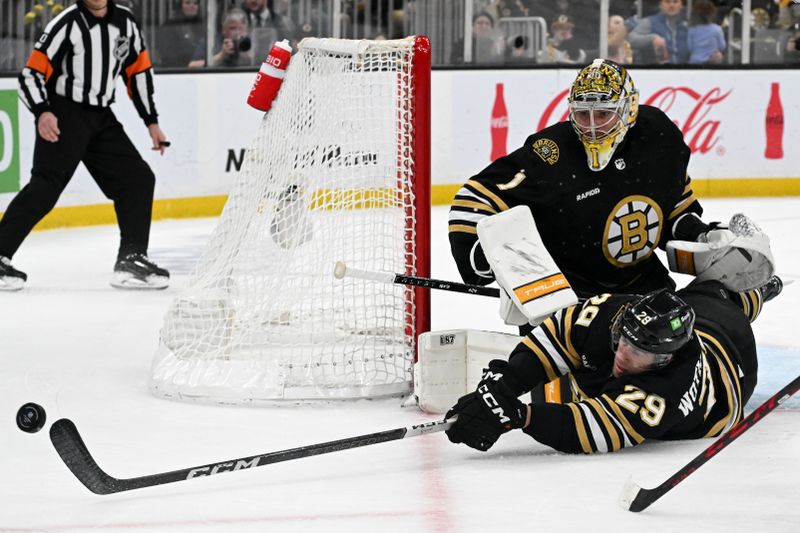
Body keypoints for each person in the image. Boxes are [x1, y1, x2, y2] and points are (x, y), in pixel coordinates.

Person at [449, 59, 720, 304]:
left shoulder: (658, 136)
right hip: (572, 299)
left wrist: (697, 232)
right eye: (583, 114)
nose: (592, 126)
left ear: (630, 109)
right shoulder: (553, 153)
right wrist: (477, 254)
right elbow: (476, 195)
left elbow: (671, 204)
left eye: (603, 113)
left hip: (647, 289)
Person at [445, 275, 784, 454]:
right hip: (699, 315)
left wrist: (521, 416)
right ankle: (750, 291)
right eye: (623, 341)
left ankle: (756, 294)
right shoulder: (614, 314)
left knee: (728, 307)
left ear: (664, 359)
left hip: (731, 368)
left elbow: (597, 427)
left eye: (639, 353)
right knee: (707, 292)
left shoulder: (667, 389)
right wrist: (504, 386)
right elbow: (555, 338)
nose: (623, 354)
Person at [1, 0, 169, 291]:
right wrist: (43, 111)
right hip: (64, 114)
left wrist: (151, 121)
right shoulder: (67, 23)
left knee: (138, 179)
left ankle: (132, 258)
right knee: (45, 186)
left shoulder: (126, 22)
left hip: (101, 117)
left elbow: (138, 72)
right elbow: (31, 74)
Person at [156, 0, 205, 67]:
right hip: (177, 72)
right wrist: (189, 64)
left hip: (203, 73)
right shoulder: (169, 27)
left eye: (195, 3)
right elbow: (168, 56)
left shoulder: (204, 27)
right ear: (180, 6)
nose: (192, 6)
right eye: (188, 3)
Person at [687, 0, 726, 64]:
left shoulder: (692, 29)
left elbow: (690, 48)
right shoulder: (717, 29)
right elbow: (722, 46)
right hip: (712, 63)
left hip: (694, 62)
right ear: (712, 13)